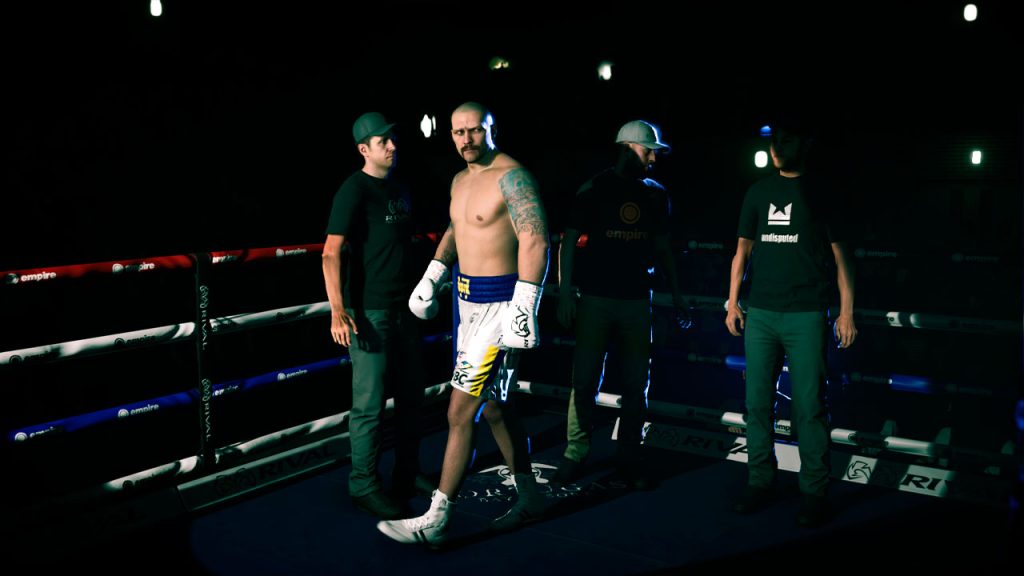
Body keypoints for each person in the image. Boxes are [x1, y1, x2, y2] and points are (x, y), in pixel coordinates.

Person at [377, 101, 550, 546]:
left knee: (459, 411)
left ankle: (437, 518)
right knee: (495, 408)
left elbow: (535, 237)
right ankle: (530, 497)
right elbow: (458, 229)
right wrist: (433, 275)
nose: (466, 139)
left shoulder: (513, 177)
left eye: (475, 130)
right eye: (458, 132)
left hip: (500, 308)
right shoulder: (459, 179)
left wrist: (525, 304)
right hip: (466, 306)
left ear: (491, 129)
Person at [724, 114, 857, 527]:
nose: (777, 147)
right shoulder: (758, 191)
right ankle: (759, 481)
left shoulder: (822, 191)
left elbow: (842, 256)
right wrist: (732, 303)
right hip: (761, 313)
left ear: (804, 144)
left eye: (786, 140)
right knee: (756, 404)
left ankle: (814, 492)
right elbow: (741, 251)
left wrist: (847, 311)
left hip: (807, 313)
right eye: (774, 141)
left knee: (810, 408)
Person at [552, 120, 684, 490]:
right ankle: (575, 453)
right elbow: (568, 241)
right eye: (648, 151)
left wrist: (676, 293)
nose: (653, 158)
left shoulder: (656, 194)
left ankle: (628, 455)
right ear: (628, 148)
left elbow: (663, 247)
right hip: (596, 299)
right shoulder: (595, 189)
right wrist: (565, 294)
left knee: (635, 384)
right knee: (584, 380)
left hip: (637, 301)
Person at [322, 112, 432, 520]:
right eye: (382, 141)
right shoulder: (354, 189)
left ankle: (407, 473)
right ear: (363, 149)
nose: (392, 145)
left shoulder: (400, 187)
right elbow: (330, 253)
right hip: (369, 311)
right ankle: (364, 486)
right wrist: (338, 310)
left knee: (411, 397)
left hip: (405, 308)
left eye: (392, 139)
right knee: (369, 404)